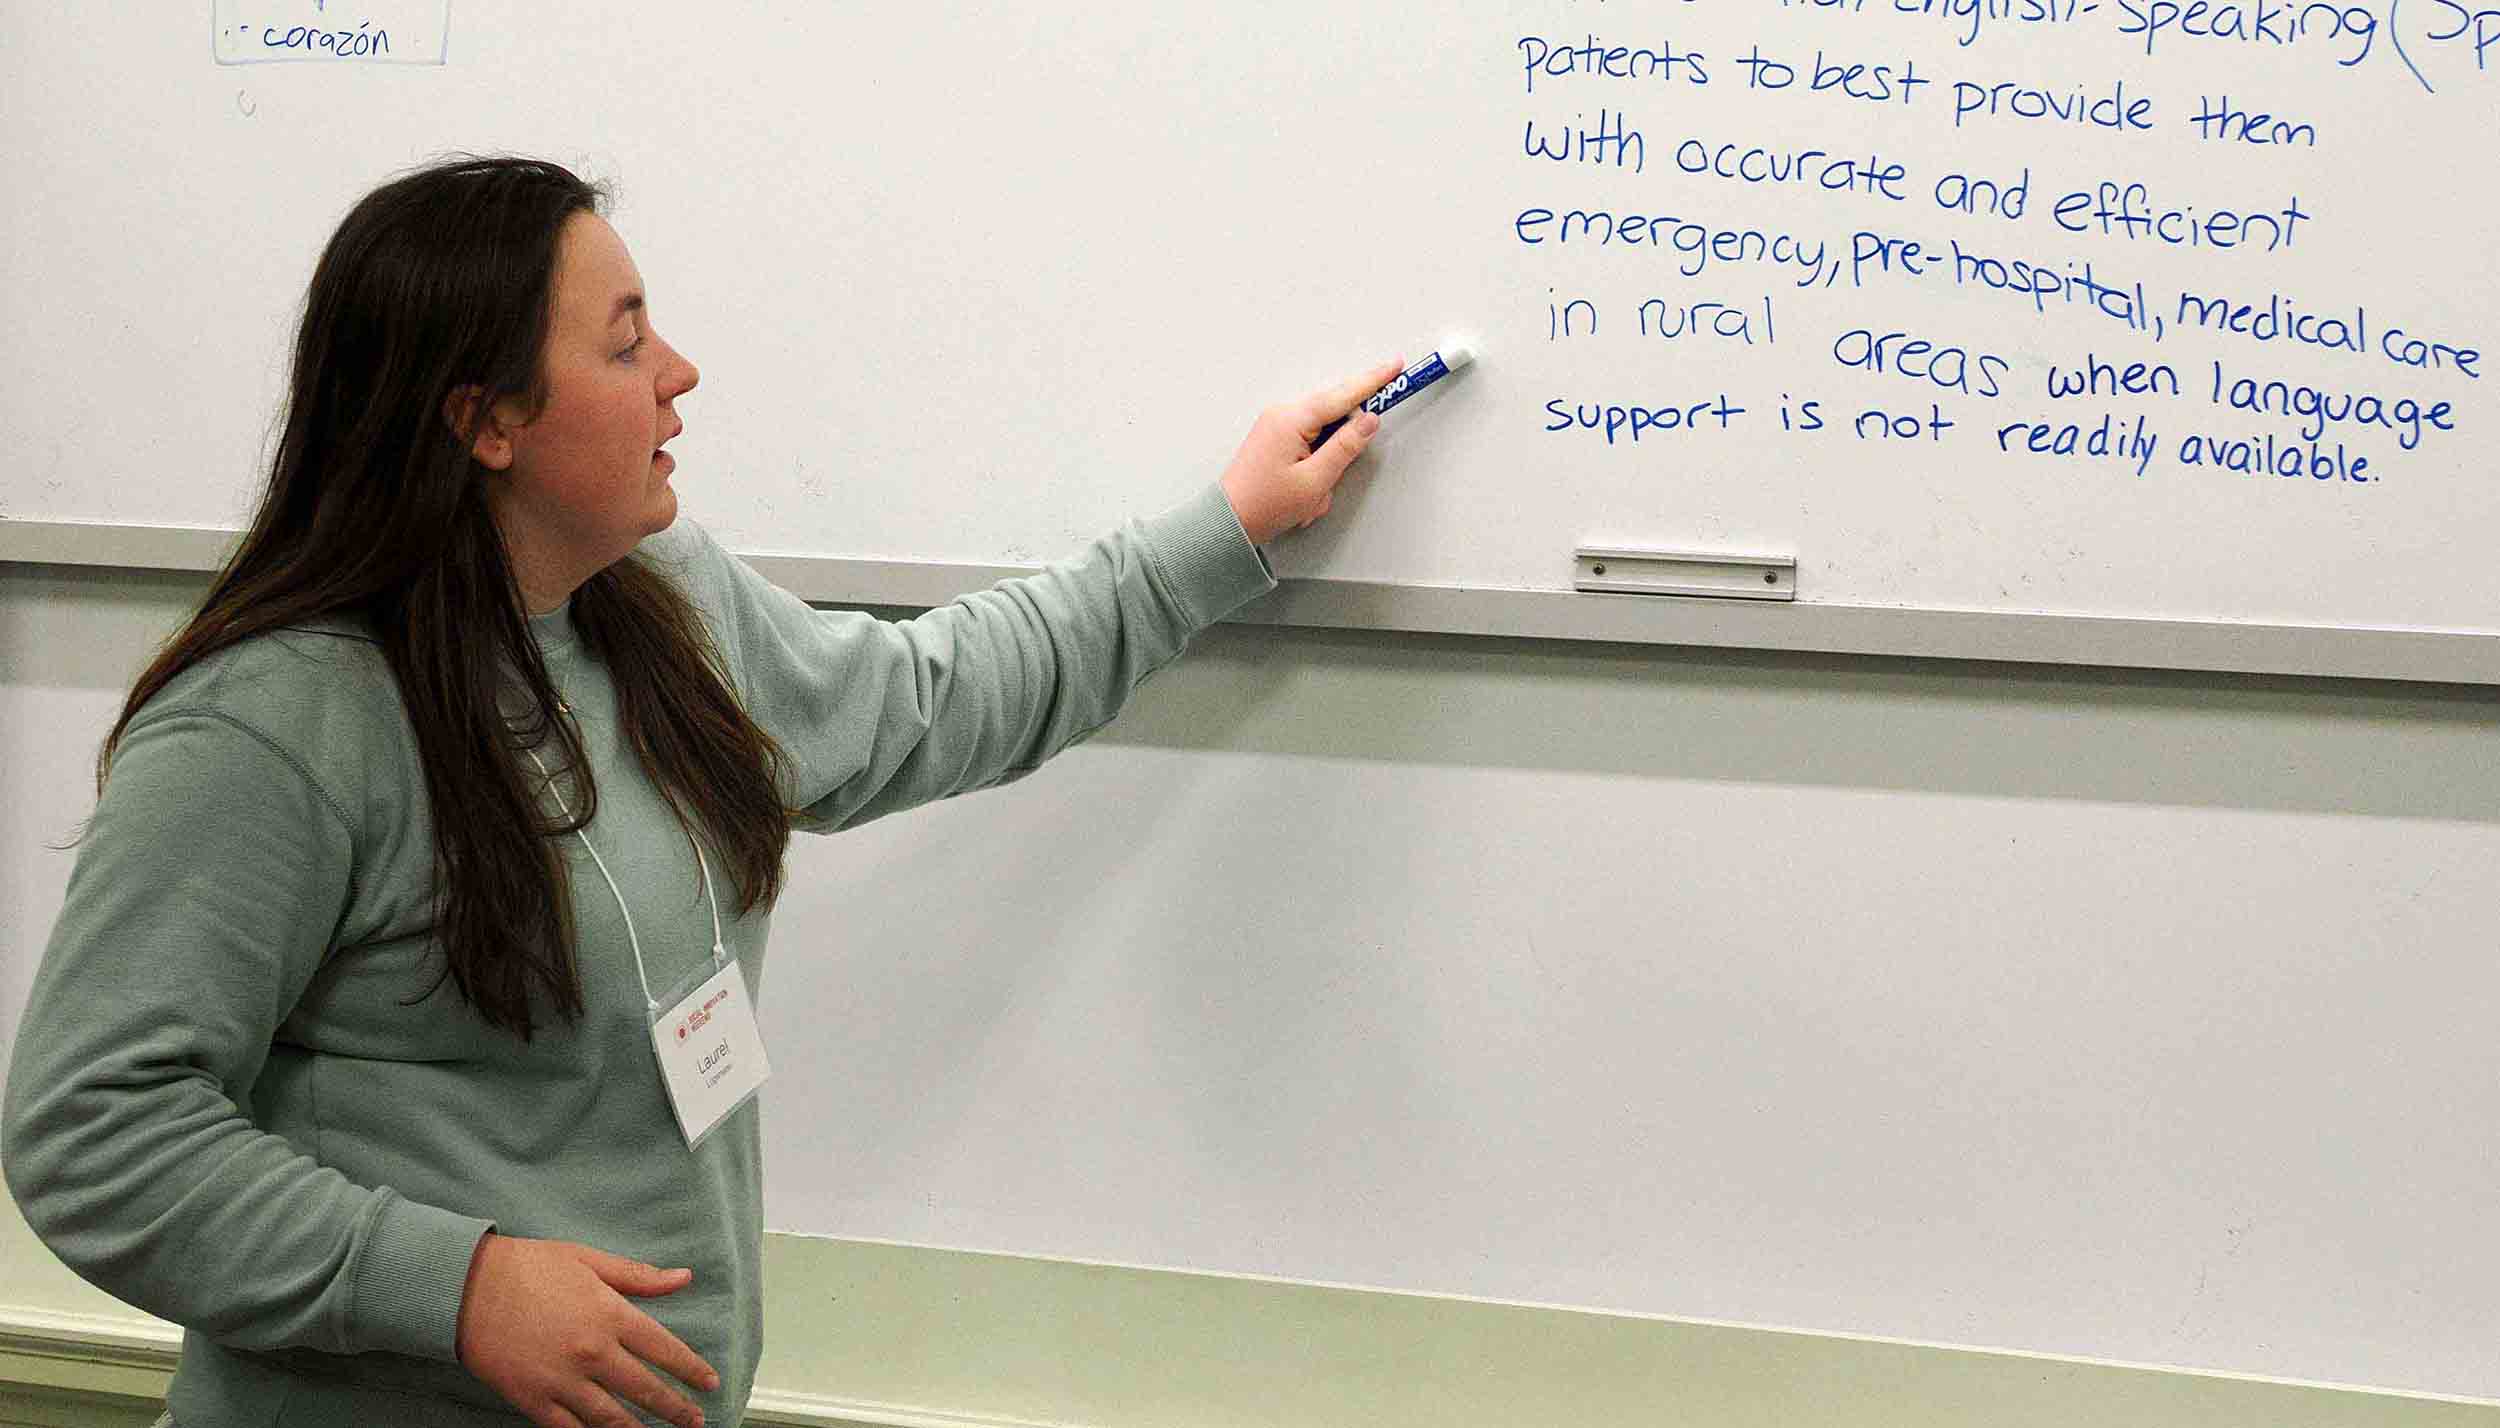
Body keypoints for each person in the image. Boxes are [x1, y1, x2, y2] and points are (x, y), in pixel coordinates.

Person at [1, 154, 1397, 1428]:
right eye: (624, 343)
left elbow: (927, 700)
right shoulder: (275, 724)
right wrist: (460, 1286)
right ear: (486, 422)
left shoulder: (653, 602)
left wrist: (1227, 533)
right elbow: (91, 1130)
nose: (679, 372)